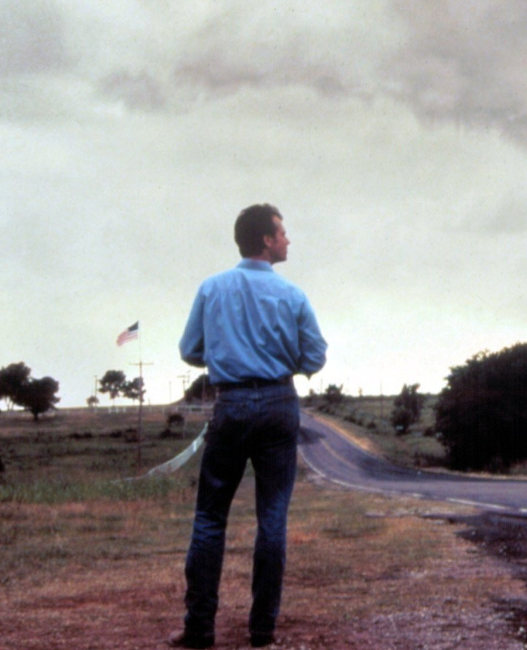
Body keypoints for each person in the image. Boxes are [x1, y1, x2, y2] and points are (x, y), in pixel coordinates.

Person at [169, 203, 327, 648]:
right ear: (265, 240)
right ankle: (262, 631)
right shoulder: (293, 296)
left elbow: (189, 349)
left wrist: (226, 353)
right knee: (272, 518)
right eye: (282, 233)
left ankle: (199, 629)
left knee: (209, 517)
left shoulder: (212, 288)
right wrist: (280, 360)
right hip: (279, 402)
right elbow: (314, 357)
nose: (288, 239)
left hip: (231, 402)